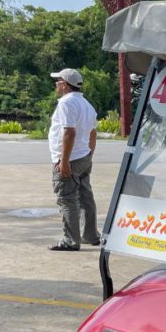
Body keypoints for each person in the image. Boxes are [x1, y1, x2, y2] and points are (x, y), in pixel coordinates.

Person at [47, 68, 101, 251]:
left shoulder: (66, 103)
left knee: (67, 198)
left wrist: (64, 160)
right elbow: (93, 133)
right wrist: (89, 155)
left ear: (64, 85)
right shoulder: (87, 105)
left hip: (71, 158)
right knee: (85, 196)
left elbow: (69, 132)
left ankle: (71, 240)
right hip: (83, 156)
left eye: (57, 81)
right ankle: (91, 235)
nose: (56, 84)